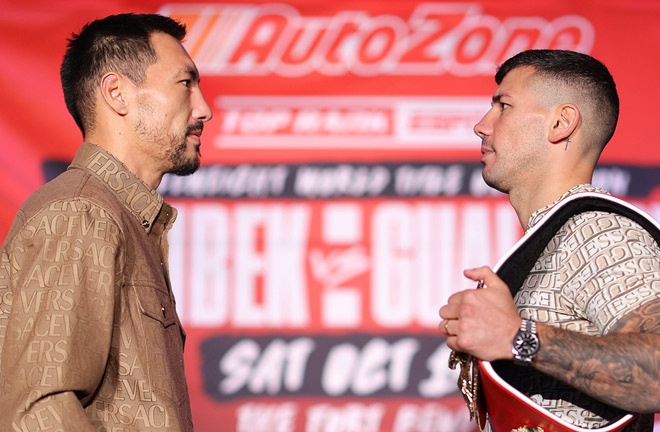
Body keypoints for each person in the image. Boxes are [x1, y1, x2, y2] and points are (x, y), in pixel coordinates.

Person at [0, 13, 212, 430]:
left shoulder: (123, 217)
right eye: (185, 84)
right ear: (116, 93)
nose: (203, 109)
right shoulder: (81, 213)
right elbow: (39, 410)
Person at [439, 49, 660, 431]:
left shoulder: (599, 233)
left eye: (503, 106)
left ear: (561, 123)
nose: (481, 125)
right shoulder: (551, 238)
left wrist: (518, 336)